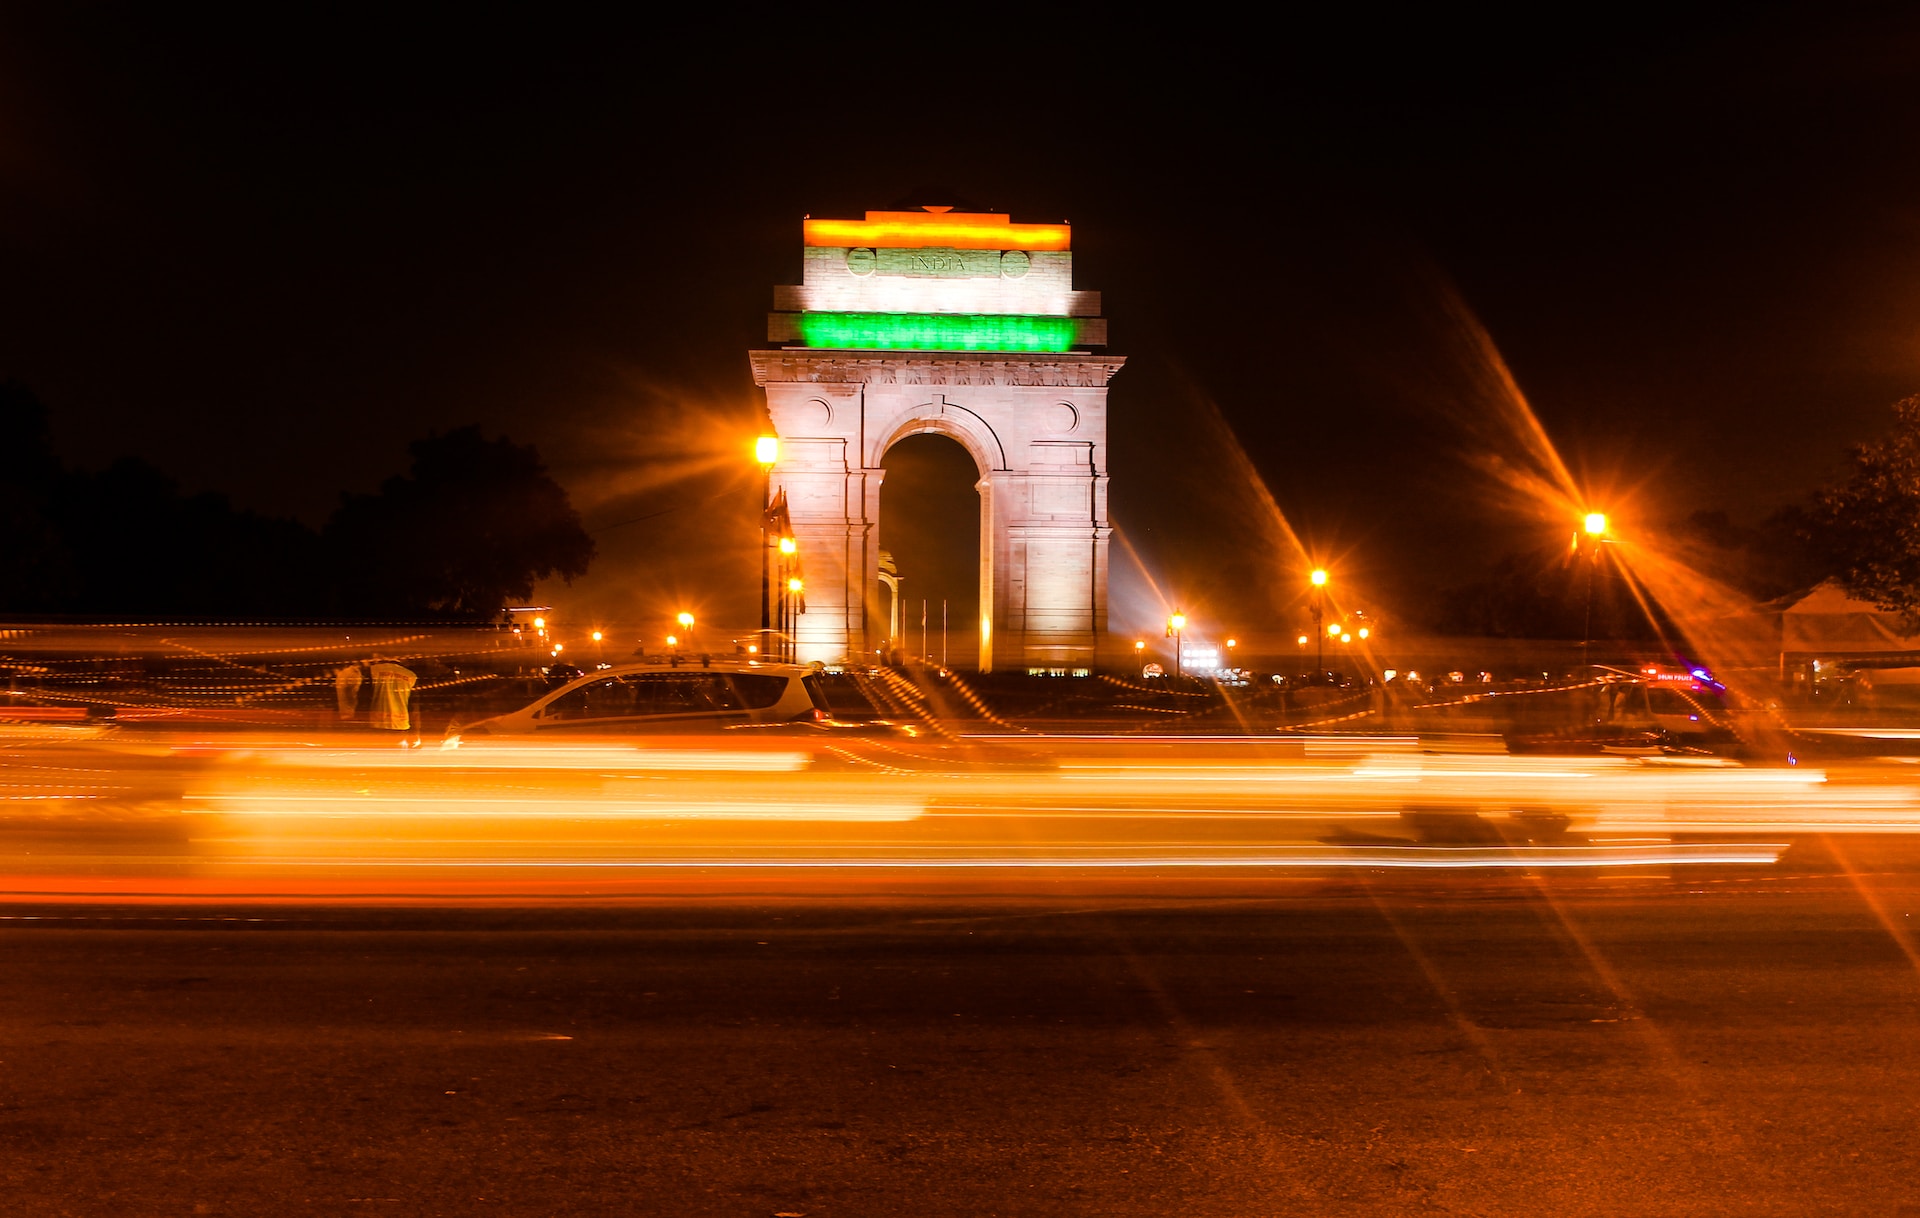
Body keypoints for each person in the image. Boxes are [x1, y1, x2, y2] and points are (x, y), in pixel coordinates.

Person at [367, 657, 417, 735]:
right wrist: (415, 731)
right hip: (400, 723)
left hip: (377, 722)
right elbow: (413, 705)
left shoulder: (373, 670)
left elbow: (365, 697)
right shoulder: (411, 676)